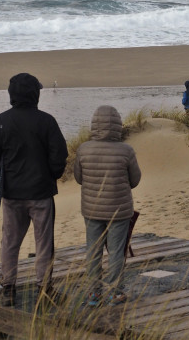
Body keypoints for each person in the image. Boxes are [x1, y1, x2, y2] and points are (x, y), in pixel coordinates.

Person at [0, 73, 68, 307]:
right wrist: (50, 176)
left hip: (12, 196)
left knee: (10, 243)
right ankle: (44, 291)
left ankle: (8, 290)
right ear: (35, 94)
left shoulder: (1, 121)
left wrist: (8, 179)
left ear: (12, 95)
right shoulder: (46, 121)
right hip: (41, 194)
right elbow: (59, 156)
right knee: (44, 244)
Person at [74, 105, 141, 307]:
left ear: (94, 124)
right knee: (116, 252)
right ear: (117, 125)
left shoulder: (83, 149)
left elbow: (79, 178)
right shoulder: (126, 150)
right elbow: (135, 180)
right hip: (119, 211)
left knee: (93, 252)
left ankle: (94, 294)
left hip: (91, 209)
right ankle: (114, 293)